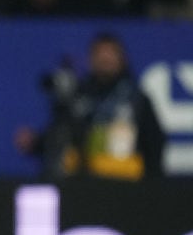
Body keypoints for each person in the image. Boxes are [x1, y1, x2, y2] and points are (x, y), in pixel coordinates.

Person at [14, 32, 165, 180]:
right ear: (91, 59)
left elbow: (154, 142)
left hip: (125, 179)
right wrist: (36, 143)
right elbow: (59, 134)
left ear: (122, 59)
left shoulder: (137, 99)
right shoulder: (77, 95)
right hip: (84, 180)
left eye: (111, 53)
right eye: (100, 53)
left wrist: (150, 183)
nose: (105, 59)